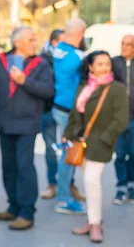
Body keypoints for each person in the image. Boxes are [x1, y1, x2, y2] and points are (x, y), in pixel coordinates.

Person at [0, 26, 54, 230]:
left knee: (25, 167)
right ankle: (13, 207)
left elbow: (48, 91)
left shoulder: (41, 64)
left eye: (34, 40)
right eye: (30, 40)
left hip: (27, 124)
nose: (34, 43)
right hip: (5, 123)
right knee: (8, 167)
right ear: (17, 42)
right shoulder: (0, 62)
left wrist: (25, 81)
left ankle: (27, 213)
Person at [66, 51, 128, 243]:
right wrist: (68, 135)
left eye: (107, 64)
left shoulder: (116, 88)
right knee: (88, 182)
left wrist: (105, 138)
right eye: (99, 64)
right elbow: (76, 114)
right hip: (82, 140)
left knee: (92, 182)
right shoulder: (85, 86)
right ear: (91, 67)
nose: (104, 68)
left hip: (100, 143)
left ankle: (95, 224)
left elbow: (121, 119)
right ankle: (92, 220)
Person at [53, 17, 88, 214]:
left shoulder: (58, 50)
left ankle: (65, 192)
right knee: (69, 155)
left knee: (66, 153)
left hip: (59, 107)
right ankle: (63, 199)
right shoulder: (78, 56)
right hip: (70, 113)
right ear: (81, 34)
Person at [40, 29, 65, 199]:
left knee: (67, 149)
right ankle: (52, 183)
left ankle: (68, 184)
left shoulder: (67, 58)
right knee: (50, 148)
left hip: (65, 109)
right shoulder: (43, 60)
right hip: (48, 109)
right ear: (54, 42)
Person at [112, 34, 134, 204]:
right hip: (118, 118)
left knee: (133, 154)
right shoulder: (114, 63)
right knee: (120, 154)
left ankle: (131, 186)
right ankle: (120, 187)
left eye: (129, 44)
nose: (124, 47)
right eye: (123, 43)